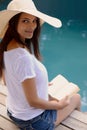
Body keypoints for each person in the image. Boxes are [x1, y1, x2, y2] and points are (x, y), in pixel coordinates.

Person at [0, 0, 81, 130]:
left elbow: (8, 80)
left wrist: (38, 83)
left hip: (14, 112)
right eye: (25, 21)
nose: (32, 26)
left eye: (34, 21)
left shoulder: (7, 47)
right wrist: (58, 105)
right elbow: (33, 102)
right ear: (13, 22)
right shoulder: (23, 57)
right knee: (76, 98)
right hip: (34, 121)